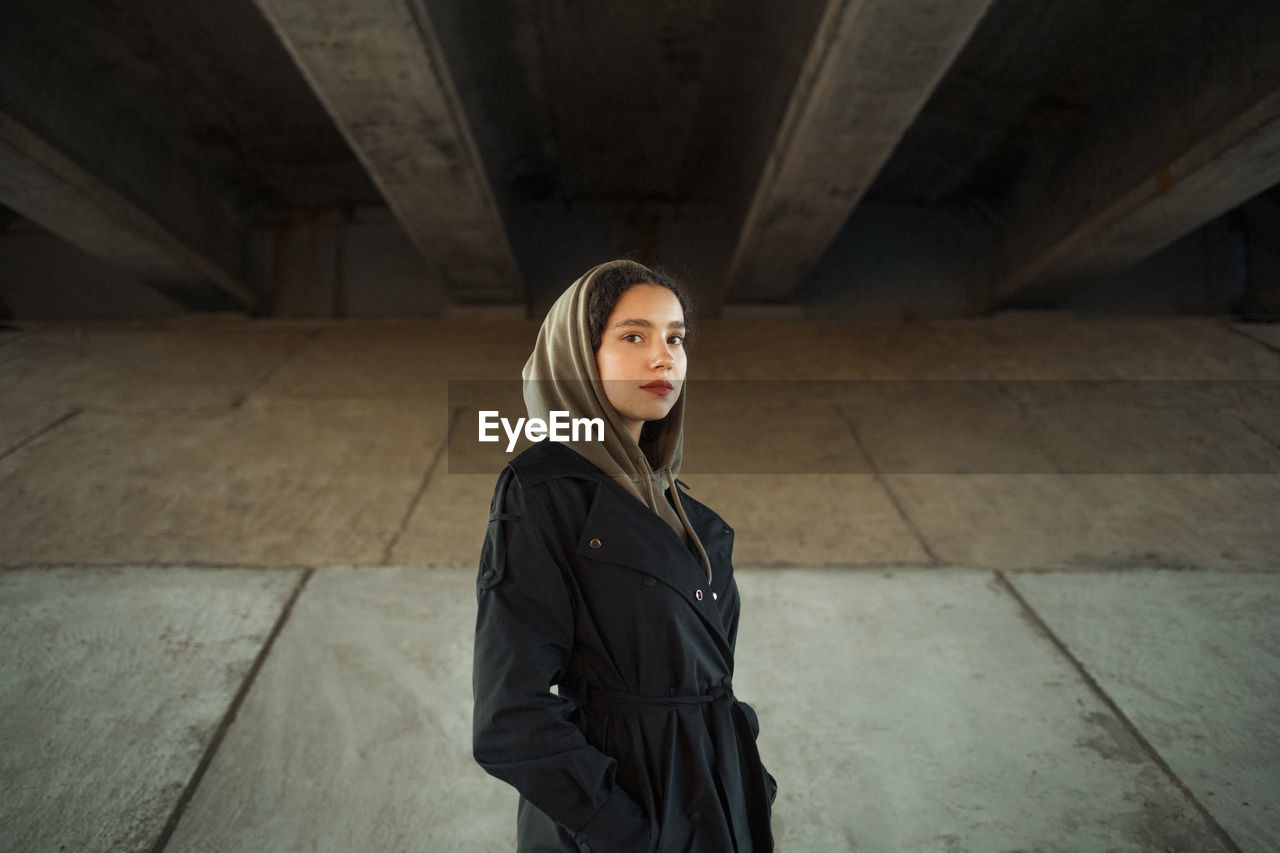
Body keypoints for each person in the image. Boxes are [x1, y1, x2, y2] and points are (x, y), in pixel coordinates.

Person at [472, 259, 776, 852]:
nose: (663, 358)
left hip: (719, 811)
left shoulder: (695, 522)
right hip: (625, 821)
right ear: (580, 358)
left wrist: (751, 785)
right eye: (633, 336)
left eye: (676, 338)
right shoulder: (542, 491)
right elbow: (511, 718)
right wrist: (628, 834)